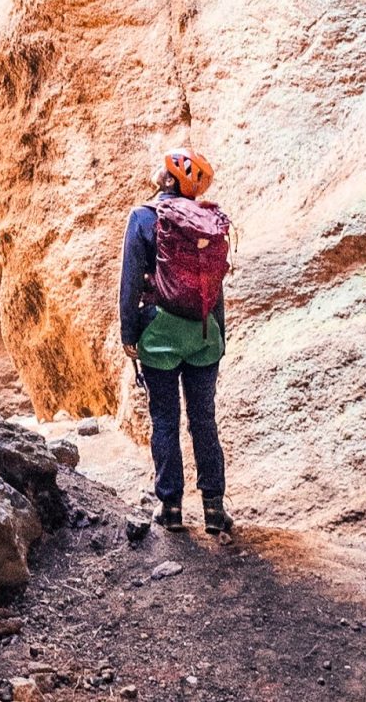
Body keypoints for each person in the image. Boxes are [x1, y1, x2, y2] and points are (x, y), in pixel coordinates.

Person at [119, 148, 232, 534]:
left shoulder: (142, 217)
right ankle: (214, 509)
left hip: (160, 333)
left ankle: (170, 508)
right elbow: (214, 285)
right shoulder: (206, 222)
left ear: (169, 180)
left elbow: (131, 281)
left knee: (164, 418)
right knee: (203, 419)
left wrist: (128, 333)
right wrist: (218, 333)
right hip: (203, 334)